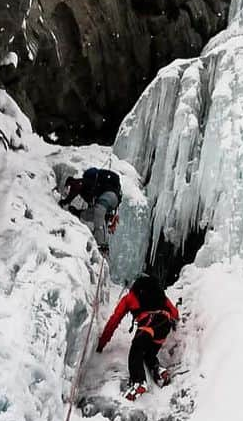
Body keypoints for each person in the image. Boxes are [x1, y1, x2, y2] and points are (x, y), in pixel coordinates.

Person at [96, 273, 180, 401]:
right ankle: (159, 371)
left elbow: (114, 320)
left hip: (148, 324)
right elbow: (174, 312)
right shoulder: (158, 293)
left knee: (136, 350)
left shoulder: (130, 297)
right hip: (164, 325)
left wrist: (101, 344)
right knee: (148, 354)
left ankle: (139, 382)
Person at [61, 166, 122, 254]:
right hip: (113, 199)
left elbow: (77, 186)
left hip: (109, 196)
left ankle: (102, 244)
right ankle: (78, 213)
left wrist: (66, 201)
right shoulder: (94, 184)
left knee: (99, 211)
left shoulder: (81, 182)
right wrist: (77, 212)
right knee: (92, 213)